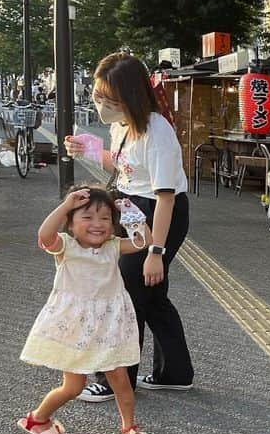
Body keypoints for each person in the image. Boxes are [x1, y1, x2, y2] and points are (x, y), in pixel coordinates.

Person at [64, 53, 194, 402]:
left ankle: (116, 380)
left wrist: (156, 252)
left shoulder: (158, 131)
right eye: (98, 95)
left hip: (156, 213)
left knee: (126, 295)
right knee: (151, 296)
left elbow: (165, 198)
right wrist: (89, 149)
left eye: (109, 98)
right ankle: (176, 373)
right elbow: (126, 167)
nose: (101, 104)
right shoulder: (123, 124)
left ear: (131, 97)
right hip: (131, 207)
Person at [18, 186, 151, 434]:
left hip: (109, 326)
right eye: (87, 217)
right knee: (73, 387)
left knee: (122, 381)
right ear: (70, 223)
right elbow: (45, 235)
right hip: (77, 329)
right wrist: (66, 205)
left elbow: (143, 241)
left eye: (104, 218)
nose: (97, 224)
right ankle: (37, 418)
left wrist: (132, 214)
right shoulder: (65, 247)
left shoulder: (113, 246)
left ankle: (130, 426)